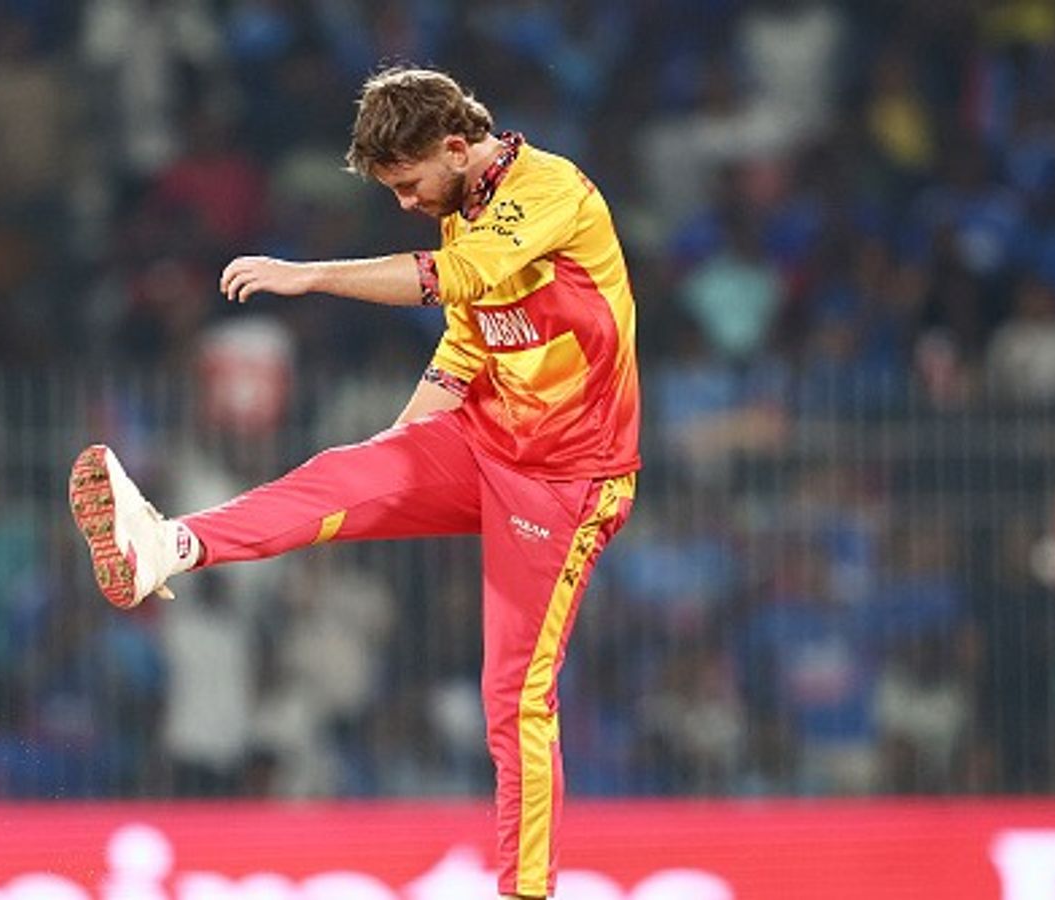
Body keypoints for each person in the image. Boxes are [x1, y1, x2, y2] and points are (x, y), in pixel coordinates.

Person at [68, 66, 640, 900]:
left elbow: (462, 282)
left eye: (409, 185)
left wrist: (306, 274)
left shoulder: (551, 191)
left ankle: (527, 892)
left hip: (567, 481)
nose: (408, 203)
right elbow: (464, 351)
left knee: (514, 697)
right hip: (488, 440)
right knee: (343, 471)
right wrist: (395, 458)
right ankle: (168, 547)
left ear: (454, 146)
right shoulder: (463, 206)